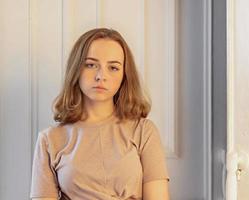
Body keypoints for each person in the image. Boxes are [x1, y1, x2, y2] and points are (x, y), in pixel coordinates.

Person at [30, 28, 170, 200]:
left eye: (113, 67)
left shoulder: (144, 131)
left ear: (124, 76)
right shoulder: (49, 140)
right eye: (90, 65)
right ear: (76, 70)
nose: (101, 76)